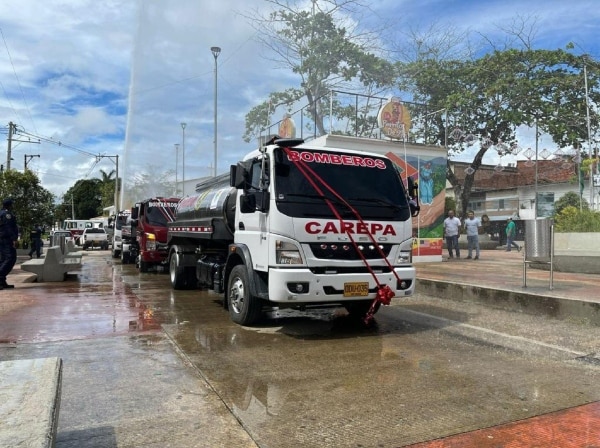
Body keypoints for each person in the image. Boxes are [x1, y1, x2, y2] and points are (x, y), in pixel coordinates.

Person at [0, 198, 19, 290]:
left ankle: (2, 281)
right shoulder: (7, 214)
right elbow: (8, 228)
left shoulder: (1, 213)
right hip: (6, 239)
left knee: (4, 259)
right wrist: (14, 239)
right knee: (10, 258)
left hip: (2, 239)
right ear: (10, 205)